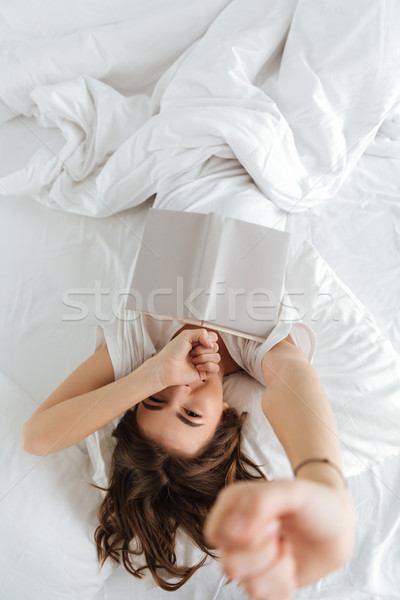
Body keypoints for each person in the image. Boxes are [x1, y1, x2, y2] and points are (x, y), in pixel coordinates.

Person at [21, 316, 355, 598]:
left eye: (154, 400)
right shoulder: (254, 346)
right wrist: (323, 483)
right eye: (192, 414)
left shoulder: (142, 342)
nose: (179, 389)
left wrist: (155, 373)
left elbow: (36, 436)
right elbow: (293, 377)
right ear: (224, 416)